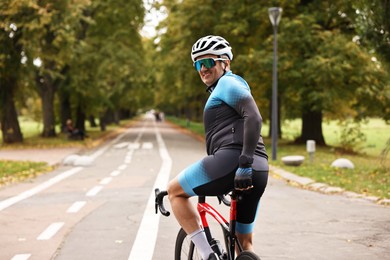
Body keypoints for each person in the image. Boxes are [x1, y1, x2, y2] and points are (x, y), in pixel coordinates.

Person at [167, 35, 269, 260]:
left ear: (226, 63)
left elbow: (254, 118)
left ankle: (208, 255)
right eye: (198, 64)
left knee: (174, 191)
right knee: (244, 244)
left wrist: (243, 163)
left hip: (233, 162)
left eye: (209, 62)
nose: (203, 68)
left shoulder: (227, 83)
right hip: (260, 170)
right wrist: (248, 164)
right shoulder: (230, 86)